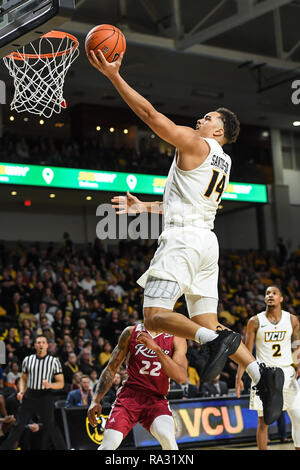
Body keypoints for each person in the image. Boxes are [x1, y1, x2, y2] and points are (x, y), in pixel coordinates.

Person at [88, 48, 284, 424]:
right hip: (205, 241)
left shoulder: (197, 144)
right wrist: (144, 208)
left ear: (218, 132)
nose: (200, 118)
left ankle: (214, 344)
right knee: (208, 321)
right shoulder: (222, 161)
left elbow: (150, 116)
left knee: (154, 317)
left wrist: (113, 76)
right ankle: (263, 374)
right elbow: (187, 205)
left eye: (207, 117)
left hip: (182, 242)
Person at [87, 323, 187, 450]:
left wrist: (157, 349)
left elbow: (181, 377)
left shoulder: (176, 337)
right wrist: (96, 400)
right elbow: (111, 368)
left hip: (156, 399)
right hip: (129, 397)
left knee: (169, 440)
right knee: (108, 445)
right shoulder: (131, 332)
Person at [235, 285, 300, 449]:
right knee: (263, 422)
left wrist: (298, 363)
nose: (270, 295)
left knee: (298, 417)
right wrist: (239, 377)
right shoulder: (255, 321)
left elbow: (296, 343)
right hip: (263, 374)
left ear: (281, 298)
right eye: (267, 293)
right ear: (264, 299)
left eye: (274, 293)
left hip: (287, 372)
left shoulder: (291, 319)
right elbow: (246, 351)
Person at [0, 335, 66, 450]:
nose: (41, 345)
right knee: (18, 426)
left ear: (47, 345)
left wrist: (50, 385)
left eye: (43, 342)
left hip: (45, 394)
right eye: (38, 342)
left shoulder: (54, 361)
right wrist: (21, 391)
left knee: (51, 426)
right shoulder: (27, 360)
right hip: (30, 394)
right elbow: (23, 379)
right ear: (35, 345)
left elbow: (61, 383)